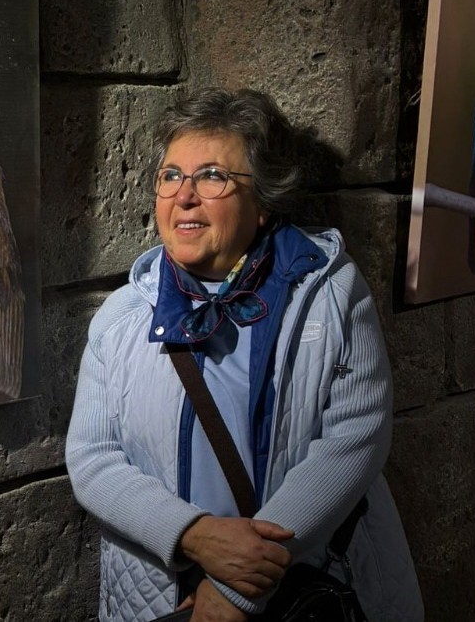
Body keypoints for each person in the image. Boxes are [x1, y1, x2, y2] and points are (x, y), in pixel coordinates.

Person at [64, 88, 423, 622]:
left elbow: (354, 441)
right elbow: (93, 458)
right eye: (170, 176)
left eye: (212, 176)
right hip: (164, 596)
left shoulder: (331, 294)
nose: (184, 196)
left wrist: (236, 588)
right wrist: (194, 535)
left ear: (263, 203)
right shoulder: (121, 317)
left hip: (302, 589)